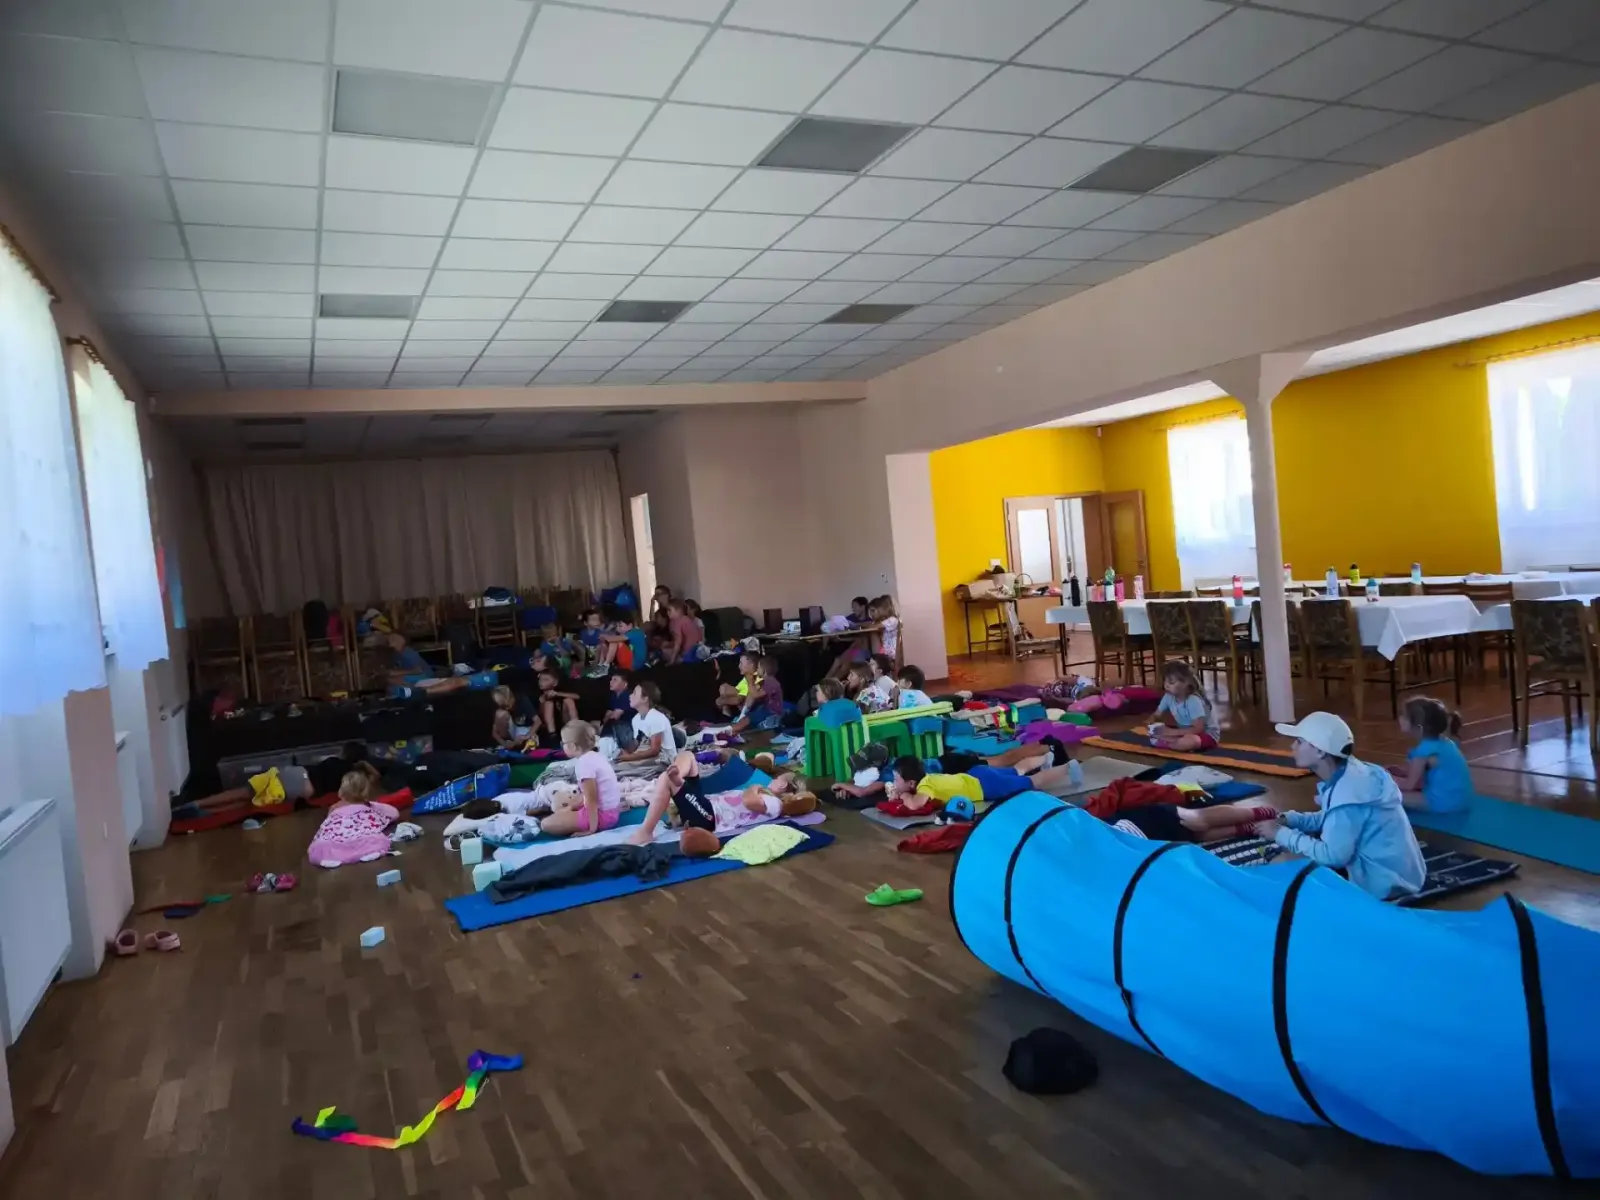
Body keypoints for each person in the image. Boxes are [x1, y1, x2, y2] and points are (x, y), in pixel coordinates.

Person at [1255, 711, 1426, 900]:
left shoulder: (1347, 794)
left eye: (1300, 741)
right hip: (1404, 874)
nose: (1292, 746)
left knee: (1282, 863)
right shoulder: (1354, 774)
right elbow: (1333, 818)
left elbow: (1333, 856)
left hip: (1383, 884)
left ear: (1320, 751)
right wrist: (1292, 820)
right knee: (1296, 848)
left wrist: (1280, 834)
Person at [538, 721, 623, 837]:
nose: (562, 746)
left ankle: (589, 824)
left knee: (545, 824)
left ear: (573, 746)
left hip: (603, 816)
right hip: (611, 812)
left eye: (563, 743)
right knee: (563, 809)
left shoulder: (584, 764)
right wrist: (571, 807)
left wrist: (591, 830)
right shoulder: (596, 756)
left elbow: (591, 800)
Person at [1393, 697, 1473, 813]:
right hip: (1461, 800)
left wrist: (1386, 779)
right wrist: (1400, 772)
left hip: (1443, 802)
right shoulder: (1445, 742)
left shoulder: (1424, 751)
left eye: (1404, 716)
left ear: (1419, 727)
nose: (1400, 718)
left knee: (1390, 795)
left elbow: (1409, 785)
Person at [306, 771, 400, 868]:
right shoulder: (369, 807)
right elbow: (393, 813)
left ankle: (326, 859)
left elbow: (329, 824)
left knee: (320, 845)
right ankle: (373, 852)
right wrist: (373, 804)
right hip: (362, 838)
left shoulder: (335, 808)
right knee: (378, 839)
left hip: (336, 840)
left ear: (341, 792)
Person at [1149, 661, 1218, 751]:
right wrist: (1151, 722)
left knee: (1191, 741)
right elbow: (1157, 714)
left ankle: (1168, 743)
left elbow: (1198, 729)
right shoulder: (1168, 697)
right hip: (1184, 731)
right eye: (1165, 681)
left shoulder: (1194, 701)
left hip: (1205, 735)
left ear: (1186, 683)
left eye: (1171, 682)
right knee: (1158, 732)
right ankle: (1173, 742)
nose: (1166, 685)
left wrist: (1172, 732)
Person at [617, 681, 675, 767]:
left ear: (644, 699)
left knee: (622, 767)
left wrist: (629, 757)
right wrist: (623, 751)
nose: (630, 696)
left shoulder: (656, 717)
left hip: (664, 759)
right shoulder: (636, 719)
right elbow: (636, 745)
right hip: (649, 757)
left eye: (634, 693)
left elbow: (655, 751)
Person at [729, 654, 783, 734]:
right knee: (746, 718)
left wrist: (750, 682)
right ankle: (738, 723)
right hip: (765, 710)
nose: (757, 670)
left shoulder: (770, 682)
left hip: (771, 713)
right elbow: (753, 694)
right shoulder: (765, 681)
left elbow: (755, 695)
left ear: (764, 670)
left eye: (758, 668)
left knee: (747, 720)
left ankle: (729, 730)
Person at [717, 651, 761, 718]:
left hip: (750, 708)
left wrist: (721, 701)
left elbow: (739, 699)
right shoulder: (746, 678)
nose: (739, 666)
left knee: (723, 694)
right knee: (724, 687)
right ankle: (726, 715)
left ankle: (727, 717)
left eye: (741, 663)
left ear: (751, 664)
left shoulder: (755, 678)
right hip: (741, 704)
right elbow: (738, 693)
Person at [536, 669, 578, 735]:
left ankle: (576, 728)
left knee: (569, 701)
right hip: (547, 726)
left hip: (563, 722)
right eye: (540, 679)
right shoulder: (540, 696)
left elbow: (577, 696)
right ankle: (553, 735)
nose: (541, 682)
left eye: (545, 680)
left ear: (555, 683)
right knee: (548, 704)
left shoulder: (558, 693)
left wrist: (557, 694)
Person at [490, 685, 534, 749]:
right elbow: (494, 732)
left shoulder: (522, 700)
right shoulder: (501, 708)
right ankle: (509, 743)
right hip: (512, 733)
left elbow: (538, 721)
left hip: (525, 729)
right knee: (500, 714)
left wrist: (528, 736)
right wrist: (503, 743)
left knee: (522, 738)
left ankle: (515, 745)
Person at [662, 599, 705, 665]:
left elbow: (678, 642)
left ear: (678, 611)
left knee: (663, 652)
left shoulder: (677, 621)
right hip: (698, 650)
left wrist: (672, 660)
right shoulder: (686, 619)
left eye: (669, 610)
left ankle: (682, 659)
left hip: (689, 652)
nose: (667, 613)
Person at [874, 594, 901, 664]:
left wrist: (857, 625)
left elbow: (875, 626)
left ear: (885, 608)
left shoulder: (892, 620)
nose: (878, 610)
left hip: (891, 652)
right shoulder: (890, 620)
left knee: (871, 635)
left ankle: (876, 660)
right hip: (888, 650)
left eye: (879, 608)